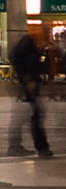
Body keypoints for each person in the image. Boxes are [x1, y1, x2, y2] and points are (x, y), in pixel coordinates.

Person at [8, 29, 50, 158]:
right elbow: (20, 61)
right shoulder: (29, 43)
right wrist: (27, 79)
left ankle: (16, 146)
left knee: (29, 115)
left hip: (28, 82)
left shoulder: (29, 42)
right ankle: (41, 148)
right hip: (28, 83)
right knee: (34, 115)